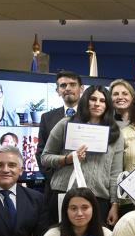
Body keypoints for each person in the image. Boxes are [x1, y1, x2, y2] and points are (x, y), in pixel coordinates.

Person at [40, 85, 124, 225]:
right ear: (85, 101)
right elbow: (45, 157)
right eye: (93, 99)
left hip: (98, 198)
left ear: (108, 105)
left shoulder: (115, 133)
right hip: (64, 193)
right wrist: (68, 159)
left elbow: (115, 173)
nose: (97, 104)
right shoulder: (66, 124)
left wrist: (115, 204)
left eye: (102, 101)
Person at [36, 70, 82, 178]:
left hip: (85, 183)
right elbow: (41, 153)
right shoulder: (47, 118)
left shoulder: (92, 116)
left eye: (72, 84)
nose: (68, 88)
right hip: (55, 183)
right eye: (63, 85)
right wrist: (53, 176)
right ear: (58, 91)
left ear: (81, 88)